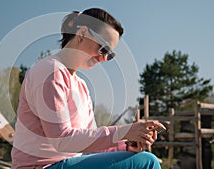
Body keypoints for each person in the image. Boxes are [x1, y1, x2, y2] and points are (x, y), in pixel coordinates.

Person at [11, 8, 165, 169]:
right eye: (103, 48)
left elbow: (90, 141)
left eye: (110, 54)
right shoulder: (50, 72)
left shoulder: (81, 86)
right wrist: (123, 131)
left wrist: (126, 145)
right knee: (147, 162)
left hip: (65, 164)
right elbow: (61, 140)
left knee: (140, 157)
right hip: (41, 166)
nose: (104, 58)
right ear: (83, 33)